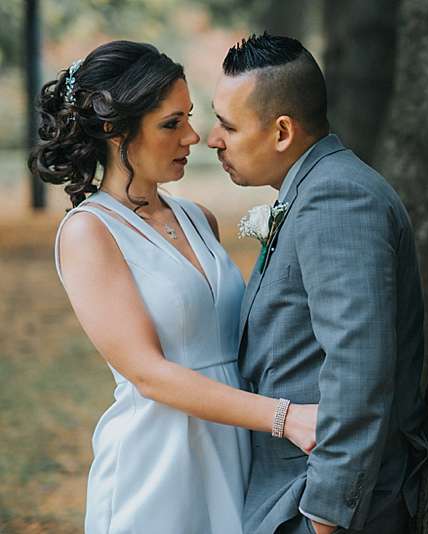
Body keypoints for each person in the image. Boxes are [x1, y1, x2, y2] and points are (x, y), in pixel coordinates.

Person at [29, 40, 318, 534]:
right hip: (159, 461)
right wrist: (284, 417)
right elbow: (149, 374)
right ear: (112, 130)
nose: (193, 136)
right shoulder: (89, 232)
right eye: (171, 123)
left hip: (236, 447)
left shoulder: (199, 218)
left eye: (189, 116)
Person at [208, 33, 428, 534]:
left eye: (227, 125)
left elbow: (359, 363)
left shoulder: (337, 199)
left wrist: (325, 515)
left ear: (282, 131)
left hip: (325, 506)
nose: (212, 139)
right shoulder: (315, 188)